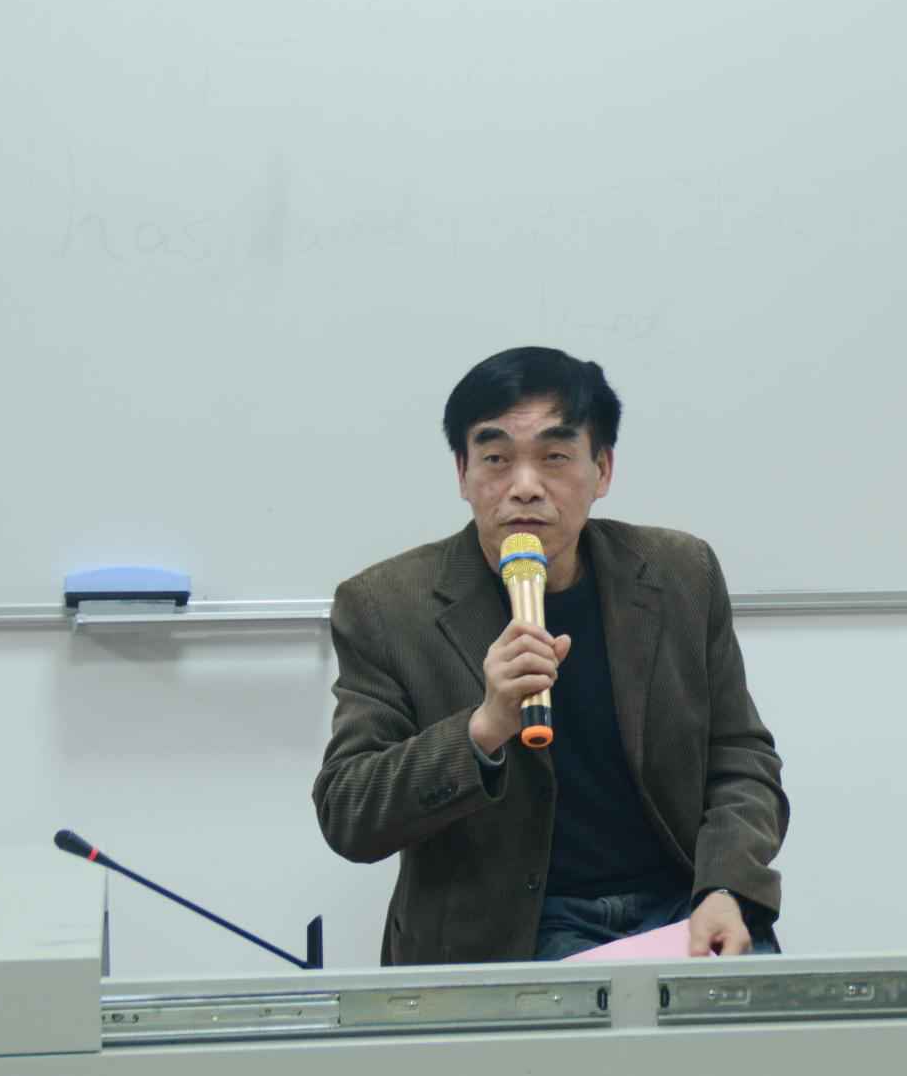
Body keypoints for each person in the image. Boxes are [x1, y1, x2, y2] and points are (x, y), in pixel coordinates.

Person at [313, 347, 787, 965]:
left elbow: (741, 759)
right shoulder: (385, 605)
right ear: (462, 473)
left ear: (603, 469)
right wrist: (483, 728)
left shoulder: (679, 573)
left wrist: (727, 889)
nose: (525, 487)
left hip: (681, 905)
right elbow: (349, 813)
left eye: (555, 457)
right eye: (496, 459)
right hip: (510, 933)